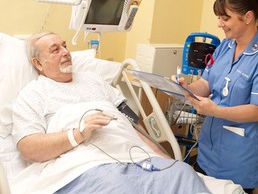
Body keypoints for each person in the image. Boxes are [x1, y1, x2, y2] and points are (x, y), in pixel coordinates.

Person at [11, 32, 210, 194]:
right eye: (56, 50)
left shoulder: (93, 79)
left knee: (182, 173)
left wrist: (162, 157)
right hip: (88, 164)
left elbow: (131, 122)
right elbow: (29, 148)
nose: (65, 52)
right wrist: (78, 134)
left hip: (132, 155)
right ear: (38, 63)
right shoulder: (32, 94)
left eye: (65, 46)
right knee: (120, 187)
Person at [174, 0, 258, 194]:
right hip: (208, 152)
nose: (220, 24)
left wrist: (215, 111)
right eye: (219, 17)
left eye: (225, 18)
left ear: (248, 17)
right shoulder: (225, 46)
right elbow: (207, 84)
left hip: (240, 159)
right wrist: (186, 88)